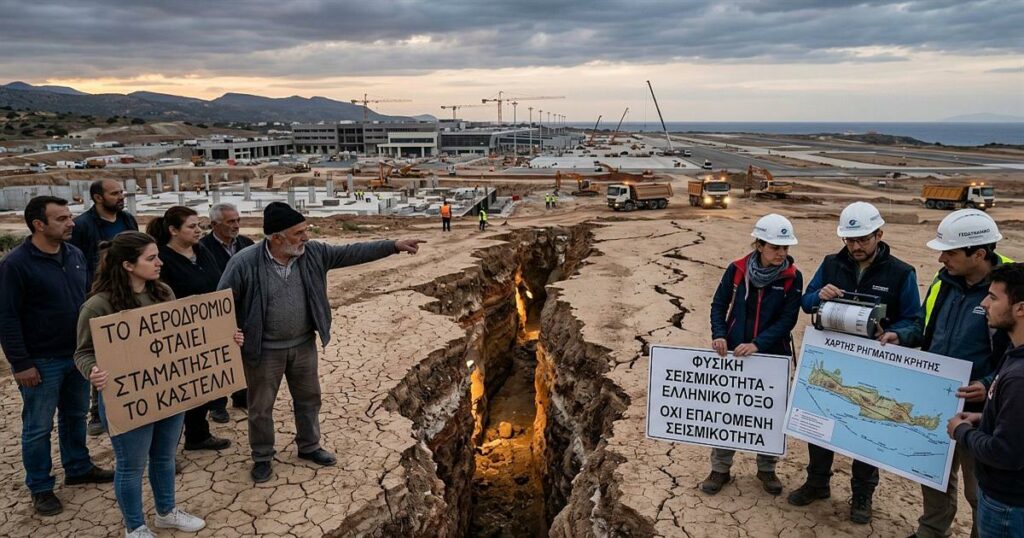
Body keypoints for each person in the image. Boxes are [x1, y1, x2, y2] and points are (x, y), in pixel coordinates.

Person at [217, 202, 424, 483]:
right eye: (299, 232)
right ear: (276, 237)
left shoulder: (312, 253)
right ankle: (263, 457)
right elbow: (222, 303)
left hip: (303, 344)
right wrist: (233, 331)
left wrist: (394, 244)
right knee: (261, 407)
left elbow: (351, 253)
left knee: (309, 399)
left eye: (306, 230)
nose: (306, 237)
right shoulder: (245, 262)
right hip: (264, 350)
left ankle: (309, 446)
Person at [75, 231, 242, 537]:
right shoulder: (98, 305)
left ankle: (166, 512)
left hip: (167, 392)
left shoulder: (163, 292)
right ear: (128, 265)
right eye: (151, 258)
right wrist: (93, 371)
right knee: (130, 466)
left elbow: (185, 337)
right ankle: (135, 526)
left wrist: (226, 339)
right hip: (127, 397)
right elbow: (83, 353)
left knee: (164, 457)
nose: (159, 263)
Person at [789, 201, 921, 524]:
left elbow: (915, 322)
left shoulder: (901, 273)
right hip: (832, 358)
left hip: (873, 366)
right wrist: (819, 295)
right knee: (820, 423)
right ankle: (817, 482)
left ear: (879, 234)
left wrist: (896, 334)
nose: (856, 246)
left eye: (862, 239)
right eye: (850, 240)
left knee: (866, 430)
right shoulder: (831, 263)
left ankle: (862, 493)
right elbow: (805, 302)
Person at [0, 196, 114, 516]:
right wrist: (21, 363)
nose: (71, 223)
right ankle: (40, 487)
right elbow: (7, 318)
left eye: (70, 217)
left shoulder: (75, 254)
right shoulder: (15, 264)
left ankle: (78, 467)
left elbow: (85, 301)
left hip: (76, 357)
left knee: (74, 416)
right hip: (41, 362)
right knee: (37, 428)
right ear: (39, 225)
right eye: (62, 218)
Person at [908, 210, 1011, 538]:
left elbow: (1019, 357)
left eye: (949, 252)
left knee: (978, 488)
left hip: (982, 410)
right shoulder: (943, 280)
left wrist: (987, 384)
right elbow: (924, 326)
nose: (941, 258)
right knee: (932, 471)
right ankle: (932, 530)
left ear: (979, 254)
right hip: (937, 399)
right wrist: (901, 336)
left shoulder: (1009, 289)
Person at [701, 214, 802, 497]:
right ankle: (720, 469)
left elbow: (787, 320)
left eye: (785, 248)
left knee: (768, 416)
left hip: (772, 357)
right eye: (775, 247)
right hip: (734, 354)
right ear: (758, 244)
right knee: (728, 413)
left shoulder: (793, 277)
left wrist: (758, 344)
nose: (782, 254)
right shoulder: (736, 270)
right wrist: (719, 334)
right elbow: (719, 305)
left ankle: (767, 469)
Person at [146, 206, 232, 452]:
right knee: (175, 395)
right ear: (173, 230)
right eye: (191, 227)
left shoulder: (201, 250)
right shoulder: (162, 259)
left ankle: (197, 434)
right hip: (177, 336)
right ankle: (165, 452)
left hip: (206, 331)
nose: (198, 231)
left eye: (199, 226)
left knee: (202, 388)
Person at [948, 263, 1024, 538]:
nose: (983, 303)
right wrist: (983, 418)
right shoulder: (1014, 356)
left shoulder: (1018, 377)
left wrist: (963, 432)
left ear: (1020, 308)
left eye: (993, 297)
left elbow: (1005, 453)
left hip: (1007, 506)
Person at [71, 179, 139, 437]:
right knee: (101, 356)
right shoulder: (83, 226)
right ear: (98, 198)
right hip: (101, 295)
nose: (120, 196)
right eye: (114, 193)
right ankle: (97, 412)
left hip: (129, 294)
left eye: (121, 192)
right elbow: (78, 261)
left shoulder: (127, 219)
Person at [199, 202, 254, 417]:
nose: (236, 225)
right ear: (214, 224)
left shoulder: (247, 244)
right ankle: (217, 404)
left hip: (244, 310)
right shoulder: (203, 248)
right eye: (231, 221)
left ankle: (241, 395)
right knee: (217, 359)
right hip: (216, 313)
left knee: (243, 355)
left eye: (238, 220)